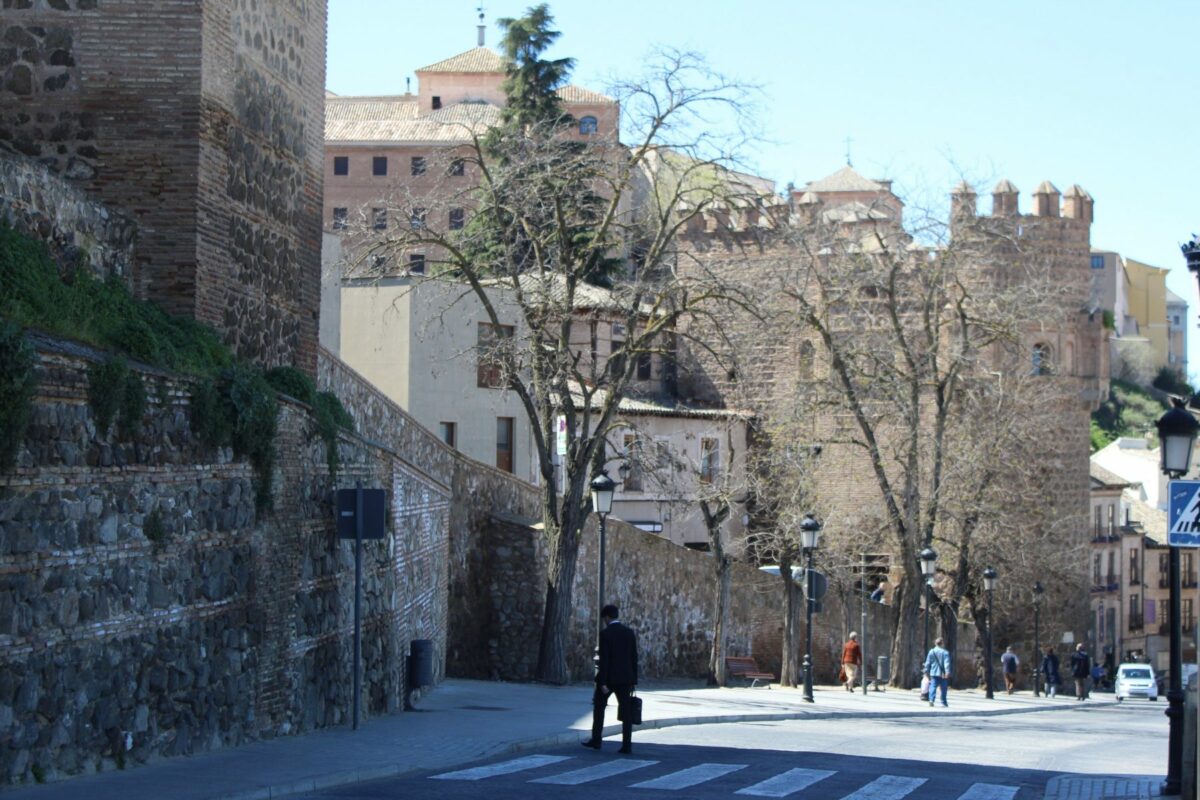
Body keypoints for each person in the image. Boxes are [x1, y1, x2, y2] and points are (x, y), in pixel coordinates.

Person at [582, 604, 639, 754]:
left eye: (604, 619)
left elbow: (605, 660)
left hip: (609, 679)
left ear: (607, 617)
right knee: (626, 713)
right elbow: (634, 657)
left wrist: (603, 682)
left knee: (599, 709)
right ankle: (627, 745)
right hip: (626, 679)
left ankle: (596, 740)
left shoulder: (606, 634)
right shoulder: (629, 633)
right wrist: (634, 680)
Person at [923, 637, 952, 707]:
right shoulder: (945, 652)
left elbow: (928, 663)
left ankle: (931, 700)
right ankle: (943, 702)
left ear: (935, 644)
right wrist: (947, 672)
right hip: (943, 674)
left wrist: (926, 671)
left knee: (932, 687)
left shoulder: (931, 652)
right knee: (943, 689)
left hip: (933, 673)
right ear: (942, 644)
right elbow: (946, 663)